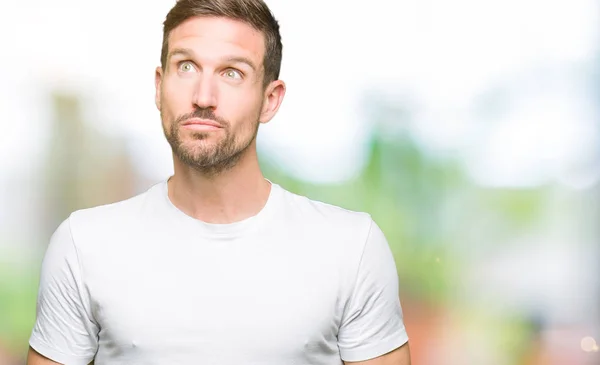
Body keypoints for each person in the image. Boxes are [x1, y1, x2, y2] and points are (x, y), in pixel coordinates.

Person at [26, 0, 411, 364]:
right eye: (187, 66)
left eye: (232, 73)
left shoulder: (350, 247)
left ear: (270, 100)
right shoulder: (84, 244)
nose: (204, 96)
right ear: (159, 86)